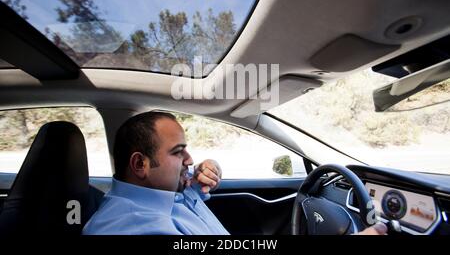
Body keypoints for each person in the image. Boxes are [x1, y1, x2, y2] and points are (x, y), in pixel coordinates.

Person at [83, 111, 387, 235]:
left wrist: (209, 170)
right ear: (140, 165)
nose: (190, 158)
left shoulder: (163, 194)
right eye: (178, 152)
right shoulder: (132, 227)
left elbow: (199, 191)